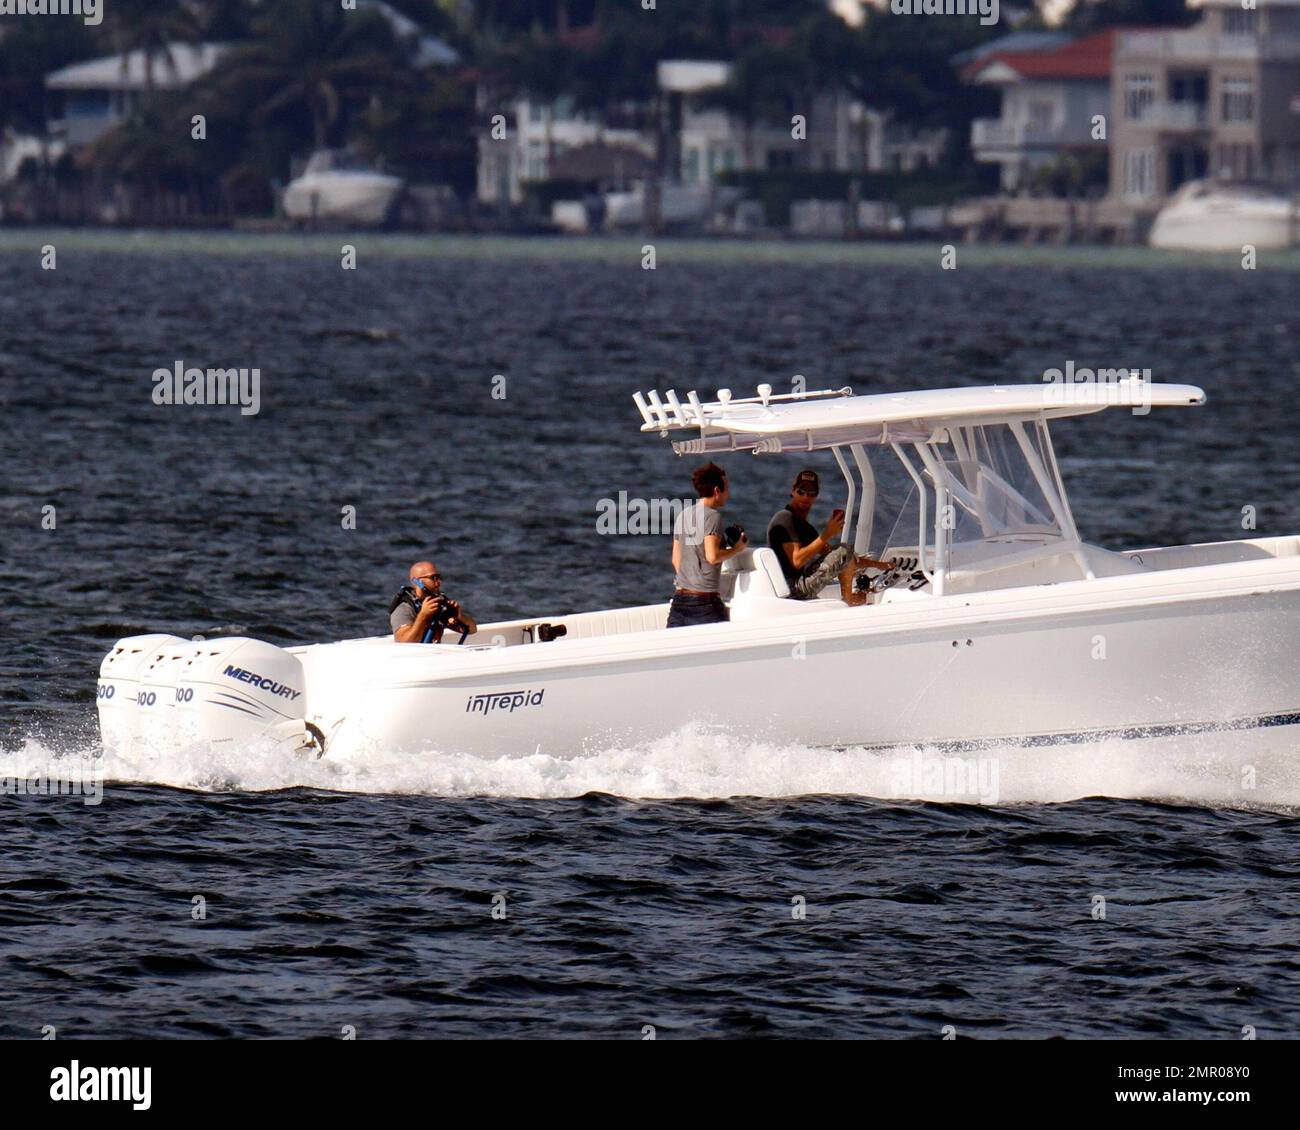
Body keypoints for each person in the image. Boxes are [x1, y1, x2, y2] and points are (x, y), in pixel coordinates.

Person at [767, 469, 893, 606]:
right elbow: (797, 560)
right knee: (843, 550)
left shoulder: (804, 527)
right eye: (801, 491)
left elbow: (841, 557)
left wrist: (881, 565)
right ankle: (848, 600)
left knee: (843, 552)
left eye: (811, 493)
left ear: (816, 495)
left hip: (795, 587)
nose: (805, 497)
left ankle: (851, 598)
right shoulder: (785, 519)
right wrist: (827, 534)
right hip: (793, 590)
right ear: (793, 491)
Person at [667, 462, 748, 628]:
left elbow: (676, 561)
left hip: (679, 602)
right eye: (727, 488)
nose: (729, 494)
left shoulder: (683, 515)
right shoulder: (712, 516)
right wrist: (737, 549)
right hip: (705, 605)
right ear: (717, 491)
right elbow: (712, 557)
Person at [390, 560, 477, 643]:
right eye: (433, 577)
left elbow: (472, 629)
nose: (438, 582)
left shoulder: (438, 603)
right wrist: (423, 616)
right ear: (417, 581)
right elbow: (404, 641)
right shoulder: (404, 608)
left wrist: (459, 616)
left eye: (438, 577)